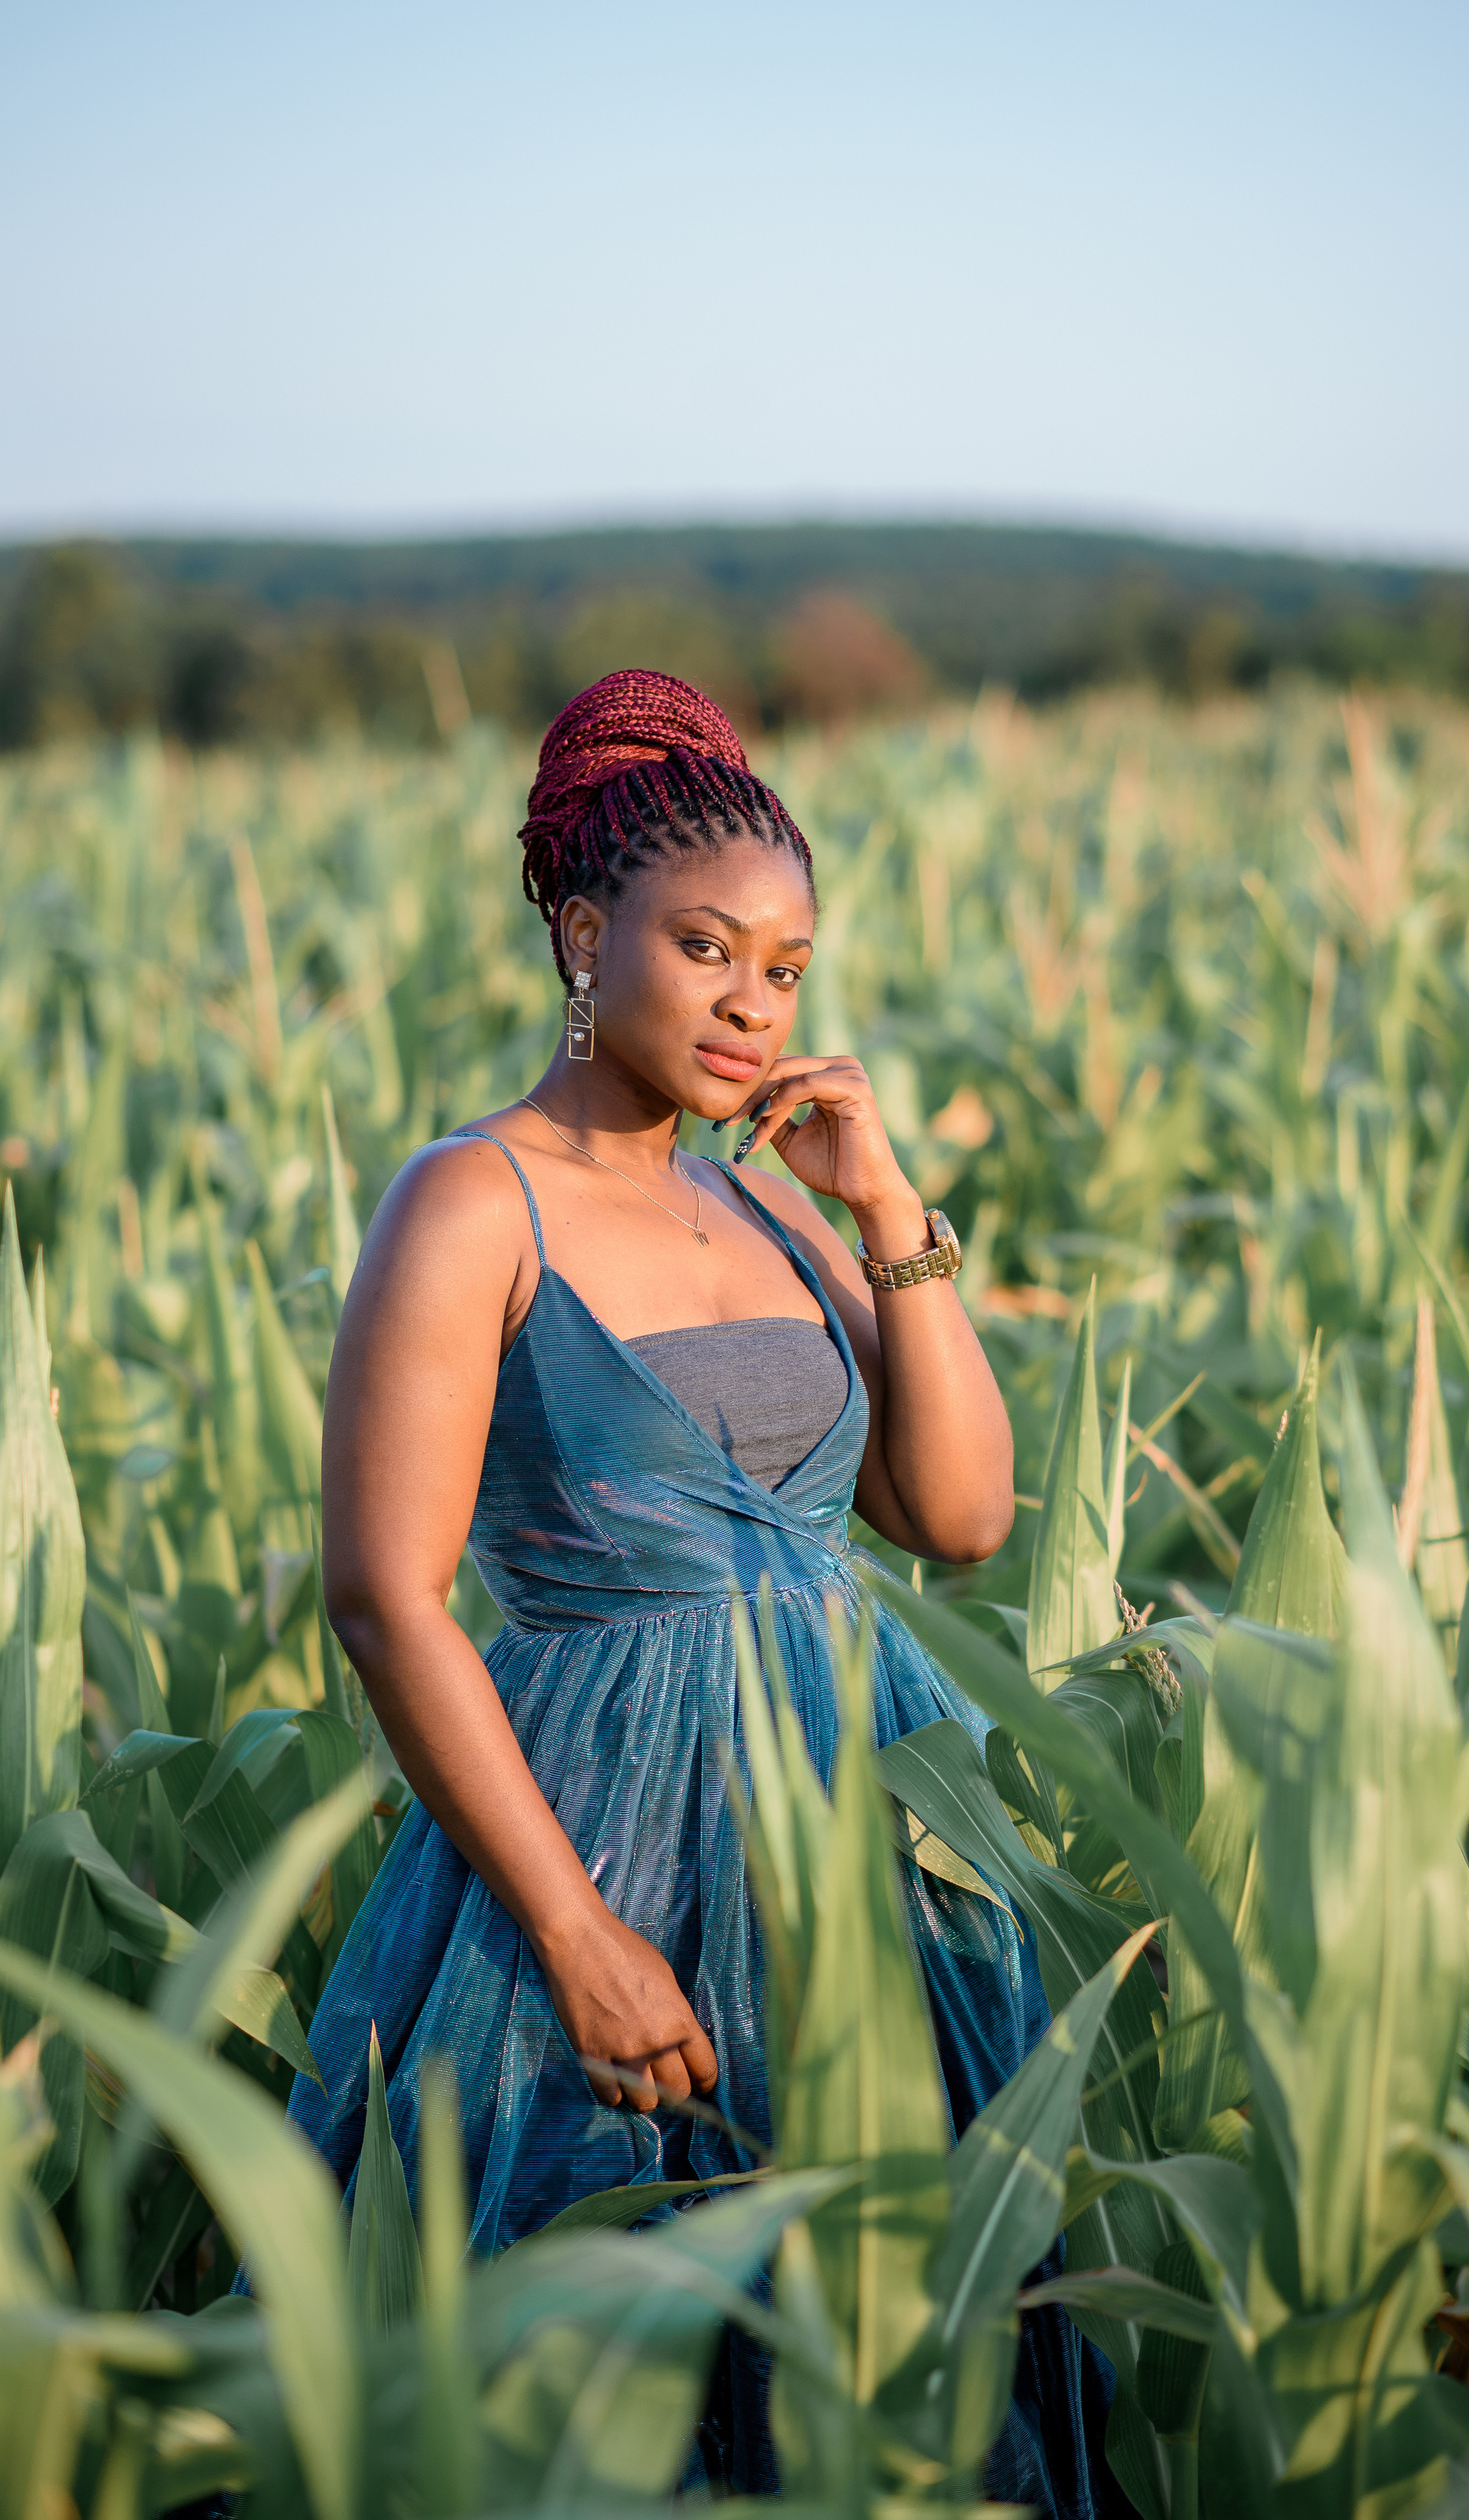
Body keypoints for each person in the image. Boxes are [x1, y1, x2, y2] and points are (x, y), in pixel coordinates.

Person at [297, 669, 1119, 2508]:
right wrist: (581, 1936)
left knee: (892, 2340)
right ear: (586, 937)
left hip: (849, 1840)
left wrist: (890, 1211)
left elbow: (961, 1512)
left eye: (789, 968)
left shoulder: (771, 1209)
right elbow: (384, 1598)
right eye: (709, 949)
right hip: (606, 1836)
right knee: (606, 2360)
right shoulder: (467, 1203)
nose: (757, 1004)